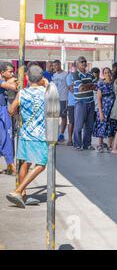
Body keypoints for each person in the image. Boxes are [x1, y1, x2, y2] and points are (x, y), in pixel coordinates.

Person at [5, 65, 48, 208]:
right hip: (39, 135)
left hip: (24, 133)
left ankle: (23, 196)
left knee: (25, 163)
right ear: (42, 78)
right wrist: (47, 84)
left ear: (27, 78)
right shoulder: (46, 92)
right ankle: (18, 191)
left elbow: (11, 111)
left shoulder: (22, 93)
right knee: (41, 164)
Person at [73, 56, 96, 151]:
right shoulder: (75, 75)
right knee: (78, 126)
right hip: (80, 102)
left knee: (89, 125)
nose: (84, 63)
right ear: (77, 64)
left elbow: (95, 86)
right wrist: (89, 86)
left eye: (85, 61)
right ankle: (78, 144)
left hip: (91, 102)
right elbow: (80, 88)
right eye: (82, 61)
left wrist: (87, 86)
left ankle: (87, 144)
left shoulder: (90, 74)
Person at [93, 67, 117, 152]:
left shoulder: (114, 84)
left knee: (111, 126)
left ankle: (110, 145)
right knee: (102, 125)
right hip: (104, 108)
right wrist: (100, 112)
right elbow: (99, 98)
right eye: (106, 73)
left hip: (113, 108)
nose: (108, 74)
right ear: (103, 74)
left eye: (109, 72)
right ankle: (100, 144)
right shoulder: (101, 84)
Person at [0, 62, 18, 176]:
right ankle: (11, 164)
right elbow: (14, 87)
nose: (12, 74)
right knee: (7, 135)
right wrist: (13, 81)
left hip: (4, 109)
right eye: (10, 71)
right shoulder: (2, 81)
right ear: (2, 73)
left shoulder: (5, 80)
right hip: (2, 110)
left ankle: (10, 164)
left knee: (6, 136)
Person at [52, 60, 69, 143]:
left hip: (63, 98)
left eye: (56, 65)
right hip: (55, 99)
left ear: (59, 65)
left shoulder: (66, 74)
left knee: (63, 116)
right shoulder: (54, 75)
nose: (55, 67)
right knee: (55, 117)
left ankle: (61, 134)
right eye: (53, 65)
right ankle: (55, 134)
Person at [65, 64, 76, 146]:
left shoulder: (80, 76)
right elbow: (71, 89)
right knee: (71, 121)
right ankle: (69, 139)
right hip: (72, 103)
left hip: (80, 102)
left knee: (78, 123)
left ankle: (76, 140)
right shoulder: (69, 76)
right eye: (73, 68)